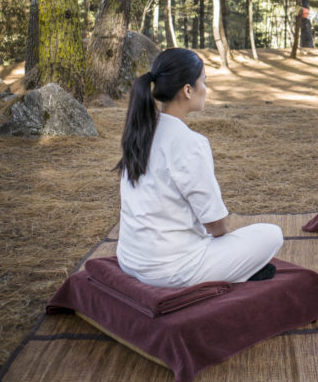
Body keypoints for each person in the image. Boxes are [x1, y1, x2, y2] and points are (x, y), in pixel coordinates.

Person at [115, 47, 283, 286]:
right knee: (271, 234)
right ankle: (238, 271)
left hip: (130, 259)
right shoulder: (189, 142)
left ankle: (236, 268)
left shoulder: (141, 131)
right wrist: (224, 242)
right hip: (171, 270)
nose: (206, 88)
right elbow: (215, 224)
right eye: (203, 81)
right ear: (187, 90)